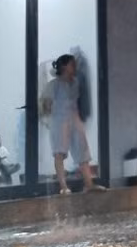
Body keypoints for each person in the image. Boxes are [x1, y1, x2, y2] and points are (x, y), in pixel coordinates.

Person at [41, 54, 103, 194]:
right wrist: (49, 119)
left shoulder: (75, 83)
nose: (74, 67)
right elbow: (46, 104)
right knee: (59, 152)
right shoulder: (54, 84)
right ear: (64, 66)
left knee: (82, 150)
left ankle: (89, 184)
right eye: (71, 64)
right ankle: (63, 186)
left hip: (74, 118)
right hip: (59, 120)